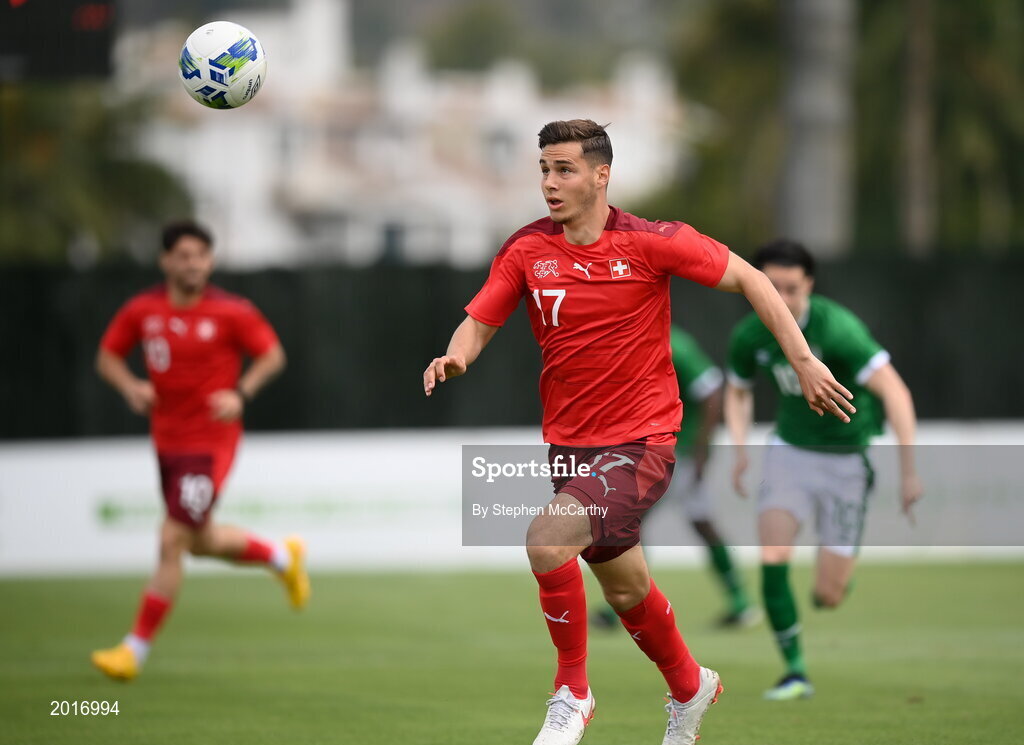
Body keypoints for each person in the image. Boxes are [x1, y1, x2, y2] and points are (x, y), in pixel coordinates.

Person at [423, 120, 855, 745]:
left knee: (547, 540)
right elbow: (481, 317)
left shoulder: (652, 242)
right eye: (543, 169)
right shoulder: (525, 249)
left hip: (643, 443)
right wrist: (457, 353)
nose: (549, 182)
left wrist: (804, 359)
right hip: (571, 449)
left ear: (601, 176)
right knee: (627, 592)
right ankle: (689, 686)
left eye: (564, 169)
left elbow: (753, 280)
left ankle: (571, 692)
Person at [90, 220, 310, 681]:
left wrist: (241, 394)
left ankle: (134, 650)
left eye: (201, 256)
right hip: (167, 443)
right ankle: (282, 558)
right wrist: (130, 386)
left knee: (172, 539)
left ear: (210, 261)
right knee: (199, 539)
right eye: (184, 255)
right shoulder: (142, 311)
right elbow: (107, 356)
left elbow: (273, 355)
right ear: (166, 261)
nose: (193, 264)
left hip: (210, 445)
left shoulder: (233, 312)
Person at [725, 239, 922, 701]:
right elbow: (737, 390)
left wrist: (909, 470)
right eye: (770, 288)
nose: (782, 299)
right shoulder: (751, 335)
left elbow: (895, 393)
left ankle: (832, 579)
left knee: (828, 595)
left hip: (846, 462)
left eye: (791, 288)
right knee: (773, 556)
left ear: (808, 285)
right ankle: (795, 670)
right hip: (788, 455)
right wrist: (739, 450)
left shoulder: (839, 331)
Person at [591, 325, 759, 631]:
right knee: (696, 523)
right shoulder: (628, 341)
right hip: (657, 452)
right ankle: (740, 602)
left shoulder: (672, 343)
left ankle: (625, 603)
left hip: (678, 452)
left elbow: (710, 388)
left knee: (632, 522)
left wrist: (701, 450)